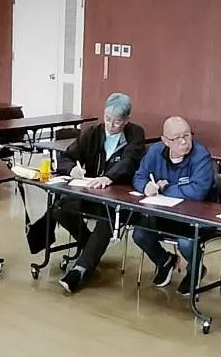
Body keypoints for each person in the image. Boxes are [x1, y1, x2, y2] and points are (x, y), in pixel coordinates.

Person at [44, 93, 147, 295]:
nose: (111, 125)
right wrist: (72, 169)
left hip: (120, 199)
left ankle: (80, 271)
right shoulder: (92, 133)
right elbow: (66, 156)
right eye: (107, 119)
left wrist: (109, 177)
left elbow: (130, 161)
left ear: (127, 120)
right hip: (91, 193)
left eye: (117, 121)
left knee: (107, 220)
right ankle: (89, 245)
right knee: (60, 208)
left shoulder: (135, 134)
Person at [129, 116, 214, 294]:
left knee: (186, 243)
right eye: (177, 138)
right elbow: (139, 176)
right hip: (164, 214)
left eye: (187, 136)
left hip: (194, 217)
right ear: (165, 141)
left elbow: (198, 191)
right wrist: (146, 187)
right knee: (139, 234)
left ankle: (195, 269)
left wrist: (165, 188)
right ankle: (165, 261)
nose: (184, 141)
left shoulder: (201, 155)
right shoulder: (155, 151)